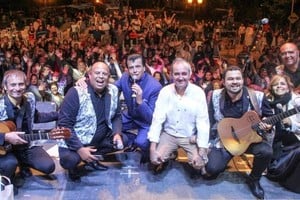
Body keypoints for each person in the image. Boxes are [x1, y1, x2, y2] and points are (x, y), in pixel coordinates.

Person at [205, 66, 274, 199]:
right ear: (224, 82)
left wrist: (268, 124)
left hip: (251, 139)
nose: (235, 82)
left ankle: (254, 179)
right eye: (230, 79)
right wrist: (207, 144)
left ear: (243, 80)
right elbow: (209, 120)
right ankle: (223, 162)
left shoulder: (258, 96)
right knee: (212, 169)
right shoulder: (215, 95)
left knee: (266, 152)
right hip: (225, 139)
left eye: (238, 78)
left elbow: (269, 116)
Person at [57, 62, 126, 182]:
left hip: (98, 138)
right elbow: (64, 125)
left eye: (104, 74)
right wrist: (79, 149)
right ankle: (75, 165)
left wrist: (117, 133)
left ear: (109, 77)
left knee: (123, 140)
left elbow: (117, 116)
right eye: (97, 73)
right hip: (75, 140)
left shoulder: (113, 90)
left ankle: (92, 158)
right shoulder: (75, 92)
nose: (101, 76)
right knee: (70, 160)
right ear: (89, 75)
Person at [147, 58, 210, 175]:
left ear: (190, 74)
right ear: (171, 75)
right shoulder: (165, 91)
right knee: (155, 160)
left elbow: (203, 123)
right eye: (176, 74)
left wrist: (202, 151)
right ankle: (169, 155)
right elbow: (157, 119)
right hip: (169, 134)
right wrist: (152, 149)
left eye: (184, 74)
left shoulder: (198, 93)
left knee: (199, 165)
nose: (180, 77)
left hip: (189, 136)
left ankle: (205, 150)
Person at [0, 69, 58, 193]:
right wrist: (5, 137)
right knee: (9, 164)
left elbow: (35, 117)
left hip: (27, 145)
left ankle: (23, 164)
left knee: (49, 166)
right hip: (5, 149)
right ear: (5, 87)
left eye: (21, 84)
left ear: (26, 85)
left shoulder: (29, 99)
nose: (17, 88)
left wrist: (57, 115)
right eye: (13, 84)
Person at [115, 53, 162, 163]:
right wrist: (87, 82)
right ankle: (131, 140)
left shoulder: (155, 86)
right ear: (127, 69)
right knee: (110, 126)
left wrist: (140, 101)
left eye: (138, 66)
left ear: (144, 67)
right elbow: (112, 89)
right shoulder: (125, 77)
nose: (135, 71)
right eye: (131, 67)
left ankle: (147, 152)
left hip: (146, 122)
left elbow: (151, 118)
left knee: (141, 142)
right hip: (131, 116)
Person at [266, 74, 300, 193]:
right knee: (274, 169)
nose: (279, 86)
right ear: (271, 87)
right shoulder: (267, 101)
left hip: (295, 142)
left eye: (282, 84)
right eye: (276, 84)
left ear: (288, 87)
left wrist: (292, 123)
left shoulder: (296, 101)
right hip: (275, 142)